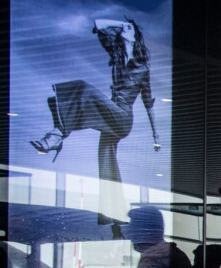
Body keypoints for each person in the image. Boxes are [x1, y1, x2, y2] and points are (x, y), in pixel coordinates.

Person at [29, 19, 160, 185]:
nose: (122, 28)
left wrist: (155, 135)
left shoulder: (142, 68)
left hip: (122, 118)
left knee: (84, 89)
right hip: (110, 113)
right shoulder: (117, 56)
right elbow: (99, 24)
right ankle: (110, 208)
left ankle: (57, 135)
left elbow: (148, 103)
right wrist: (122, 25)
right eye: (122, 27)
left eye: (128, 28)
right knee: (106, 163)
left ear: (135, 38)